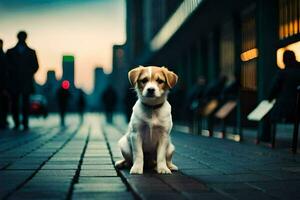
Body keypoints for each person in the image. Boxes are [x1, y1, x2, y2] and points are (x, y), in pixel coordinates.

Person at [6, 31, 39, 131]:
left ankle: (25, 122)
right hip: (14, 81)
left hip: (25, 81)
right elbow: (7, 65)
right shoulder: (10, 52)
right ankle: (16, 122)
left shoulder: (31, 52)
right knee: (15, 102)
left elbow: (36, 66)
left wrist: (28, 73)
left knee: (25, 102)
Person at [268, 50, 300, 122]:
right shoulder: (298, 72)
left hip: (284, 108)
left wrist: (269, 98)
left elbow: (274, 89)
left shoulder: (282, 73)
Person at [0, 39, 10, 129]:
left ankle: (3, 120)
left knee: (4, 103)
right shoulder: (4, 56)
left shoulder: (5, 56)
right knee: (4, 103)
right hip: (4, 84)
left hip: (3, 84)